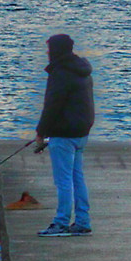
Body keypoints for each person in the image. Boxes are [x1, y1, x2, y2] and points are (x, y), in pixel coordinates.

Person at [35, 32, 94, 236]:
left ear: (56, 51)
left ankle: (60, 222)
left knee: (63, 181)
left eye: (49, 49)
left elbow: (52, 105)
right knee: (77, 178)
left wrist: (41, 133)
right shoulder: (82, 70)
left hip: (64, 134)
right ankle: (82, 221)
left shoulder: (60, 73)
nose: (47, 53)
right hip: (81, 132)